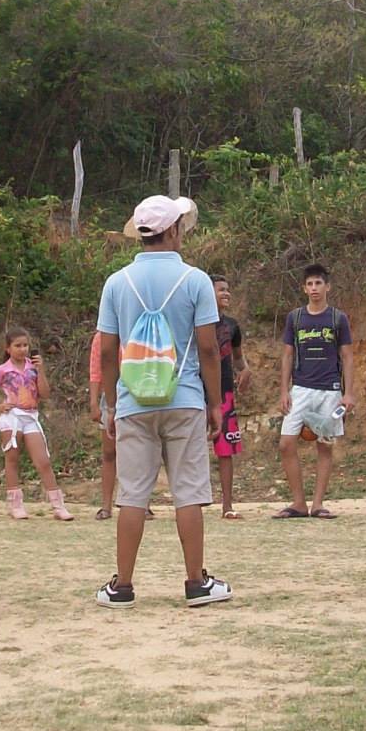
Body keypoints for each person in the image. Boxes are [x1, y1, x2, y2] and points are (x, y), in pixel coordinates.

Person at [93, 194, 229, 608]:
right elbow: (208, 349)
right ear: (172, 230)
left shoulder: (117, 282)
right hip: (184, 397)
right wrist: (215, 403)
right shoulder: (195, 280)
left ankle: (122, 586)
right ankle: (196, 583)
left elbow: (107, 350)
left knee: (133, 494)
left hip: (134, 401)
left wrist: (111, 404)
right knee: (188, 492)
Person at [274, 265, 354, 519]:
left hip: (330, 389)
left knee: (325, 446)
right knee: (286, 443)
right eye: (309, 284)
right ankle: (298, 503)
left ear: (327, 286)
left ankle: (318, 504)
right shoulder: (295, 318)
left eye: (318, 283)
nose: (314, 288)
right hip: (301, 388)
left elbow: (347, 356)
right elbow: (288, 355)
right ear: (304, 288)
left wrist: (348, 392)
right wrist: (284, 390)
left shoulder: (338, 318)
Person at [0, 328, 74, 521]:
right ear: (8, 348)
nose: (22, 349)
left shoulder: (32, 367)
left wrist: (41, 371)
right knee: (12, 458)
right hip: (12, 416)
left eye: (25, 345)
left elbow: (44, 393)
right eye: (18, 346)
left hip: (31, 416)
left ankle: (58, 505)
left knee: (43, 461)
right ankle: (15, 503)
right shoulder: (3, 370)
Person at [210, 275, 250, 520]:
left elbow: (237, 357)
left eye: (228, 289)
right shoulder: (195, 323)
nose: (226, 293)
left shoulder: (232, 326)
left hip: (225, 392)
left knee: (225, 450)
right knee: (186, 449)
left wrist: (245, 369)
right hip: (195, 392)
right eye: (221, 290)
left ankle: (227, 505)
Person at [88, 327, 117, 520]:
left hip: (137, 394)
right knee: (109, 452)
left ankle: (141, 504)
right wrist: (93, 402)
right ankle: (106, 505)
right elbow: (96, 370)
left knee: (138, 452)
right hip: (110, 395)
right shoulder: (102, 336)